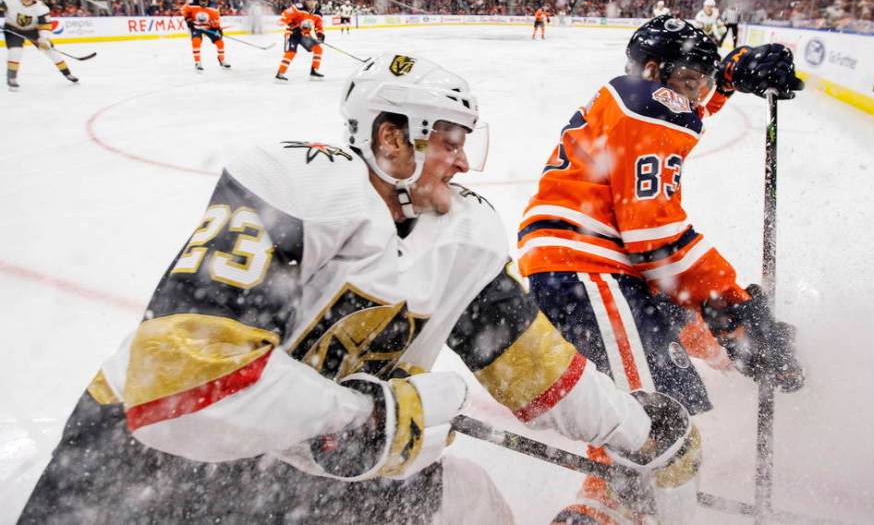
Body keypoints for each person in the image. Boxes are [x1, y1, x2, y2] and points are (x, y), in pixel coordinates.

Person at [19, 52, 702, 524]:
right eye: (449, 140)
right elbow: (178, 392)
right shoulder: (294, 186)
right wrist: (364, 419)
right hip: (142, 467)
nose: (465, 159)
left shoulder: (461, 236)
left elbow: (535, 369)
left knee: (469, 501)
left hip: (301, 475)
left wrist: (640, 434)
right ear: (390, 139)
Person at [517, 16, 806, 524]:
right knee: (651, 420)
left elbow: (674, 119)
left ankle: (738, 354)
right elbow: (656, 239)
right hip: (589, 269)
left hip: (596, 264)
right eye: (693, 82)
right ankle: (600, 509)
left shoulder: (635, 98)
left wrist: (728, 78)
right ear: (654, 70)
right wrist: (732, 304)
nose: (699, 99)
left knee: (686, 353)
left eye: (706, 84)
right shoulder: (644, 105)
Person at [2, 0, 78, 90]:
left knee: (51, 51)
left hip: (34, 30)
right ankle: (11, 78)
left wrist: (44, 38)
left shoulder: (41, 8)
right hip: (12, 29)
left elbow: (45, 25)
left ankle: (67, 73)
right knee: (15, 52)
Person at [277, 0, 325, 81]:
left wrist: (320, 35)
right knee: (291, 52)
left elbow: (319, 26)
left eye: (313, 0)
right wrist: (293, 27)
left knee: (318, 49)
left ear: (316, 2)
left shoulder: (318, 14)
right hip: (293, 34)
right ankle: (280, 73)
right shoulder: (298, 8)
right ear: (305, 1)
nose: (311, 3)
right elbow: (284, 16)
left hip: (304, 36)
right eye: (309, 0)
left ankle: (314, 71)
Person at [181, 0, 230, 72]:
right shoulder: (192, 3)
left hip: (209, 27)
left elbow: (216, 18)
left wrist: (218, 28)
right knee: (196, 42)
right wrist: (188, 21)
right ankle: (197, 62)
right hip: (196, 27)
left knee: (220, 42)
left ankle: (222, 59)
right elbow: (184, 11)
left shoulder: (213, 5)